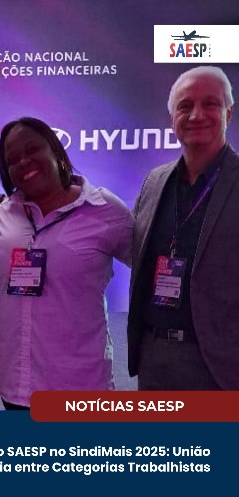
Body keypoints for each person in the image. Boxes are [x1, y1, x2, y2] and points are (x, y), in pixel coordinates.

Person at [0, 117, 134, 410]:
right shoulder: (3, 214)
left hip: (79, 386)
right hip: (15, 385)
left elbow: (148, 268)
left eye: (32, 149)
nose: (23, 162)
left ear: (55, 150)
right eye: (12, 159)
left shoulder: (105, 210)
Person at [128, 66, 239, 390]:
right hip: (154, 358)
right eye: (185, 106)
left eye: (210, 104)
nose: (196, 115)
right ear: (172, 119)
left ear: (228, 113)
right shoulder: (155, 181)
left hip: (222, 365)